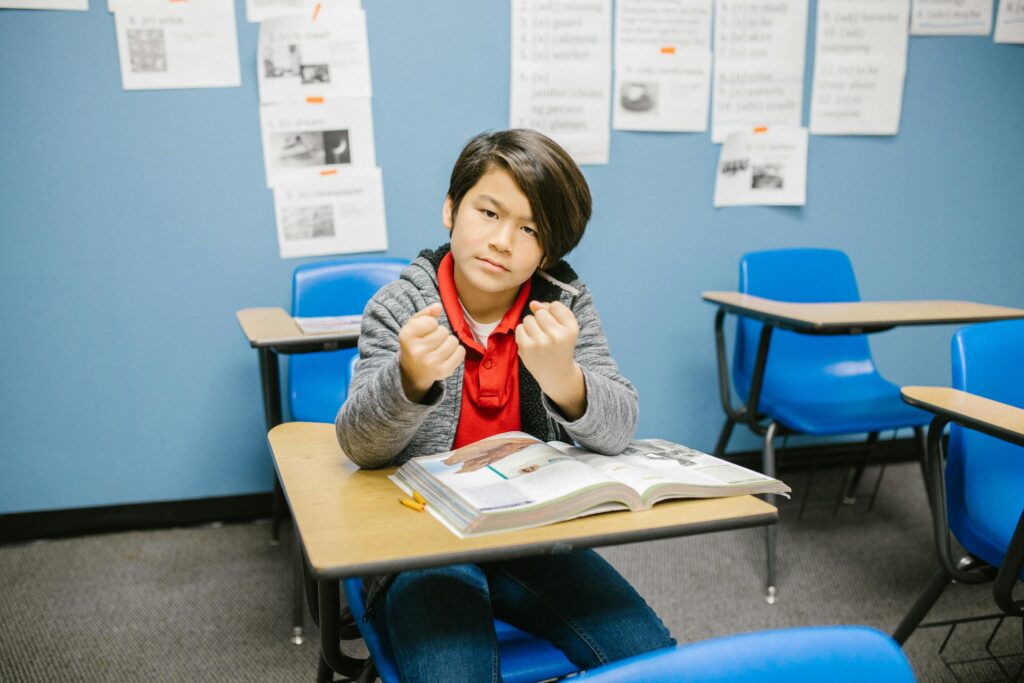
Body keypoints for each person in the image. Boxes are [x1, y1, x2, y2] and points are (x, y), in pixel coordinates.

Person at [336, 129, 675, 682]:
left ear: (548, 248)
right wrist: (409, 378)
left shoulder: (562, 303)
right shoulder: (400, 306)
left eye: (530, 229)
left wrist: (566, 378)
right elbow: (359, 445)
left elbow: (619, 429)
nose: (502, 241)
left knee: (652, 660)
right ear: (451, 208)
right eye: (488, 213)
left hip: (532, 535)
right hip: (423, 545)